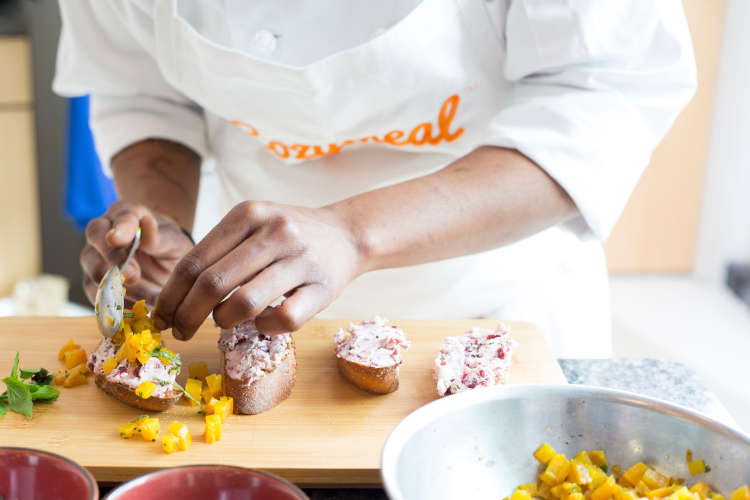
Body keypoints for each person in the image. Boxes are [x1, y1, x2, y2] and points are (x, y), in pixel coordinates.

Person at [53, 0, 696, 357]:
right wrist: (168, 223)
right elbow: (143, 88)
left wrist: (350, 232)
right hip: (244, 301)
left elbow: (602, 98)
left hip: (493, 294)